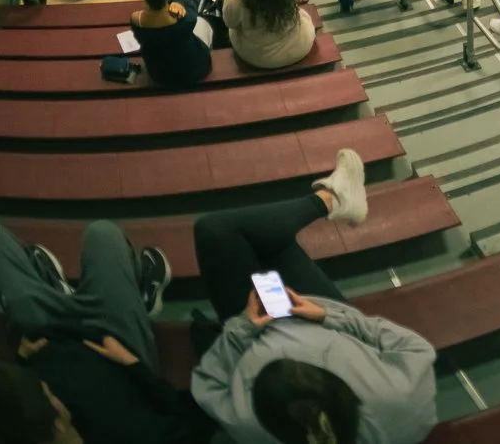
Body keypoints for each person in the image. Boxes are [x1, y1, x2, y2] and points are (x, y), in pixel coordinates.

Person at [187, 158, 440, 444]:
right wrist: (326, 316)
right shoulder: (402, 402)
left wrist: (242, 329)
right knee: (250, 237)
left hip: (255, 324)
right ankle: (333, 199)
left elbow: (209, 384)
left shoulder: (250, 426)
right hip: (314, 313)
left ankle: (330, 200)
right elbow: (414, 347)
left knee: (220, 232)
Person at [0, 218, 207, 444]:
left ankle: (58, 293)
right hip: (115, 341)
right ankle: (139, 297)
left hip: (46, 329)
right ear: (58, 426)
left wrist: (21, 358)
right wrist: (133, 364)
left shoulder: (31, 421)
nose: (54, 395)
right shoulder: (135, 435)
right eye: (47, 393)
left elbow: (11, 413)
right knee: (102, 234)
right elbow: (191, 423)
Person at [126, 0, 213, 87]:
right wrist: (177, 1)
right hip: (196, 70)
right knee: (203, 23)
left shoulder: (136, 19)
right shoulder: (186, 18)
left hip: (160, 75)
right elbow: (190, 4)